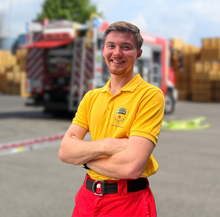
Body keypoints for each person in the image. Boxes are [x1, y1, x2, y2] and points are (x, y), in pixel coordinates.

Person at [58, 21, 165, 217]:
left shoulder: (150, 95)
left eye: (126, 47)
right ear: (103, 50)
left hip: (127, 203)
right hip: (86, 199)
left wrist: (85, 159)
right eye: (111, 45)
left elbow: (131, 166)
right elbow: (65, 151)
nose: (117, 53)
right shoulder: (91, 97)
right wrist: (108, 145)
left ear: (138, 54)